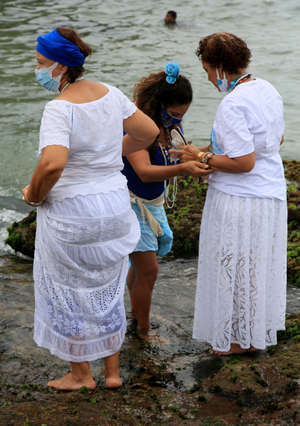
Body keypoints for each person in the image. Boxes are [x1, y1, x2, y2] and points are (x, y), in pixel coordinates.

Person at [21, 27, 159, 390]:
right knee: (107, 286)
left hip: (73, 211)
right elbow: (148, 133)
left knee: (66, 288)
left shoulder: (59, 108)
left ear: (60, 66)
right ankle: (112, 374)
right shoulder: (110, 94)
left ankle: (81, 375)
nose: (36, 69)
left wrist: (33, 194)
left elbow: (53, 164)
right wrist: (112, 153)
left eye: (39, 63)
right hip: (114, 206)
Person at [172, 32, 287, 355]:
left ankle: (232, 341)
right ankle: (250, 334)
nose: (209, 79)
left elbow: (243, 161)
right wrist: (202, 150)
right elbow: (272, 142)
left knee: (232, 267)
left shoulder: (232, 103)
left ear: (219, 67)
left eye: (208, 71)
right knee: (253, 267)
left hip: (239, 199)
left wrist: (205, 158)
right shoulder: (267, 89)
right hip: (269, 195)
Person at [122, 62, 213, 343]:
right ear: (157, 105)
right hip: (132, 206)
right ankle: (143, 331)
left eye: (181, 116)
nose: (177, 121)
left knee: (140, 268)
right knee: (148, 270)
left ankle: (137, 314)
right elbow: (144, 172)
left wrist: (208, 150)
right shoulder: (137, 128)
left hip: (151, 204)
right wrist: (181, 169)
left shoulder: (166, 125)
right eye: (173, 114)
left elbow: (172, 154)